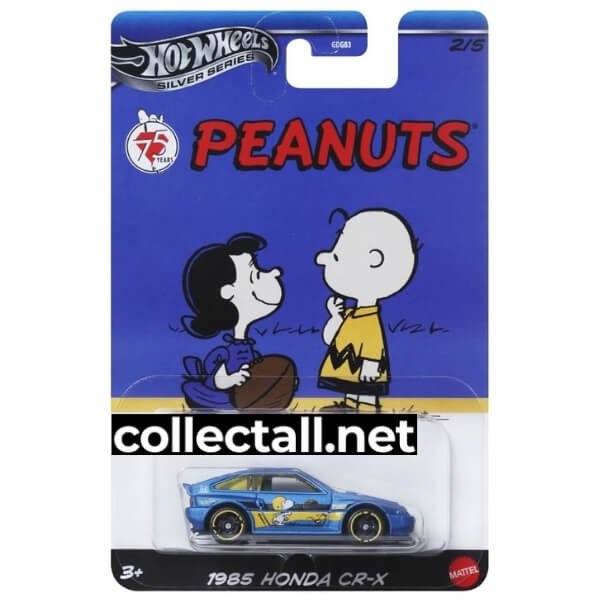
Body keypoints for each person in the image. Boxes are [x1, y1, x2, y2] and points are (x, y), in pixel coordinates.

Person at [315, 209, 418, 412]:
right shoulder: (350, 315)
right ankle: (349, 406)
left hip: (364, 369)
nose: (323, 259)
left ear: (374, 260)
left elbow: (374, 343)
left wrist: (371, 365)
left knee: (366, 392)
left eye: (337, 257)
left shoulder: (369, 318)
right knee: (350, 389)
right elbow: (330, 339)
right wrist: (335, 316)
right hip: (346, 366)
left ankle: (368, 409)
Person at [181, 233, 285, 409]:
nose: (276, 272)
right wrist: (232, 379)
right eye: (255, 275)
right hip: (227, 398)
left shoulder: (248, 349)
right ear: (228, 292)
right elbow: (217, 380)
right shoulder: (225, 352)